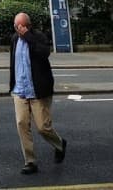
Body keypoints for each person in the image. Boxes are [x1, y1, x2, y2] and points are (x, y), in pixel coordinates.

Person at [9, 11, 67, 175]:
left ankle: (60, 144)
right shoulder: (14, 40)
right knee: (22, 124)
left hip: (38, 90)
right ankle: (30, 161)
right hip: (20, 90)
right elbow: (14, 63)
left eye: (22, 26)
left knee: (43, 127)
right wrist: (12, 85)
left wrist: (28, 36)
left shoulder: (39, 37)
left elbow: (44, 53)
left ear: (29, 26)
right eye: (16, 26)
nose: (18, 29)